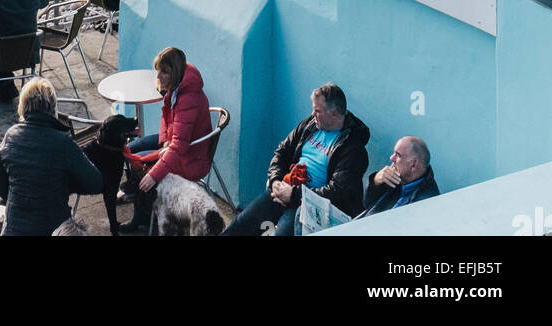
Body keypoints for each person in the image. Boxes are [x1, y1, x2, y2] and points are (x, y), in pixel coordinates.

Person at [221, 83, 369, 236]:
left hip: (311, 207)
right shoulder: (310, 125)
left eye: (317, 111)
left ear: (334, 113)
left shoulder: (353, 149)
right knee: (242, 223)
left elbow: (338, 193)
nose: (312, 114)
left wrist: (294, 195)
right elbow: (282, 151)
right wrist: (275, 180)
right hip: (286, 188)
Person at [120, 46, 212, 235]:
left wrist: (154, 174)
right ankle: (143, 204)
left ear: (175, 72)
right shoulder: (178, 86)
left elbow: (179, 146)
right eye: (158, 71)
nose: (159, 76)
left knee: (138, 161)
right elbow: (165, 117)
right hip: (176, 142)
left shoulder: (187, 97)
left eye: (164, 72)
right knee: (130, 148)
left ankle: (145, 213)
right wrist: (163, 143)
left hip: (190, 157)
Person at [0, 77, 103, 236]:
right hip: (54, 229)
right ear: (53, 108)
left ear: (23, 106)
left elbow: (0, 188)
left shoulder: (11, 136)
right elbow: (96, 183)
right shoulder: (62, 142)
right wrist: (65, 185)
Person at [356, 137, 439, 218]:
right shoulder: (399, 177)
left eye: (398, 155)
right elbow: (368, 204)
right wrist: (375, 181)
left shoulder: (426, 203)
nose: (391, 158)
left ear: (413, 164)